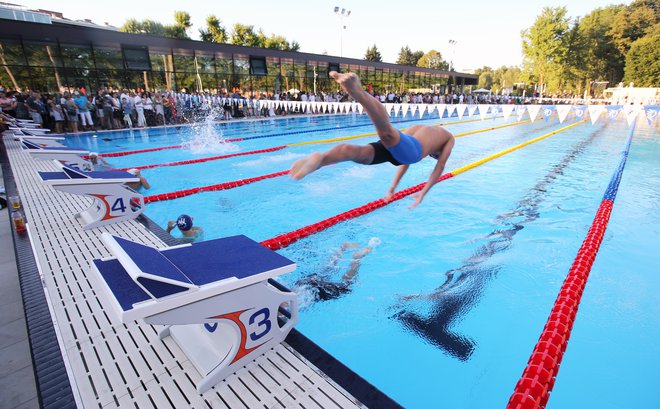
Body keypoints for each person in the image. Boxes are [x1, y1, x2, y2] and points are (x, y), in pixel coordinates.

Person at [290, 71, 455, 209]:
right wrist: (423, 193)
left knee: (356, 152)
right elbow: (439, 167)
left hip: (401, 150)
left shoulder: (423, 128)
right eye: (435, 155)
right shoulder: (449, 138)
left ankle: (321, 159)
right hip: (410, 151)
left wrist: (392, 188)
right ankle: (358, 93)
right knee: (387, 132)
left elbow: (404, 161)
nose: (434, 156)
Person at [294, 238, 379, 302]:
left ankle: (357, 258)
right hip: (301, 284)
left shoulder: (285, 312)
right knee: (326, 270)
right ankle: (342, 248)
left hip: (309, 291)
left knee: (346, 285)